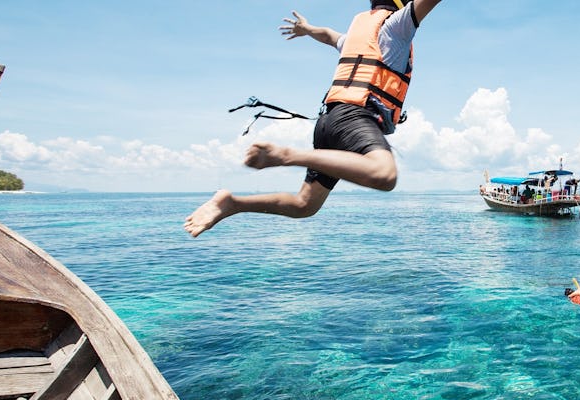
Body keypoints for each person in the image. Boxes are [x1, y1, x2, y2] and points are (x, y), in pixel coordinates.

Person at [184, 0, 442, 237]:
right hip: (354, 117)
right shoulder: (397, 25)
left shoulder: (357, 36)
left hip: (328, 121)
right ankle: (286, 155)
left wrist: (307, 29)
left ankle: (232, 204)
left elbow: (330, 36)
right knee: (384, 175)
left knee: (304, 205)